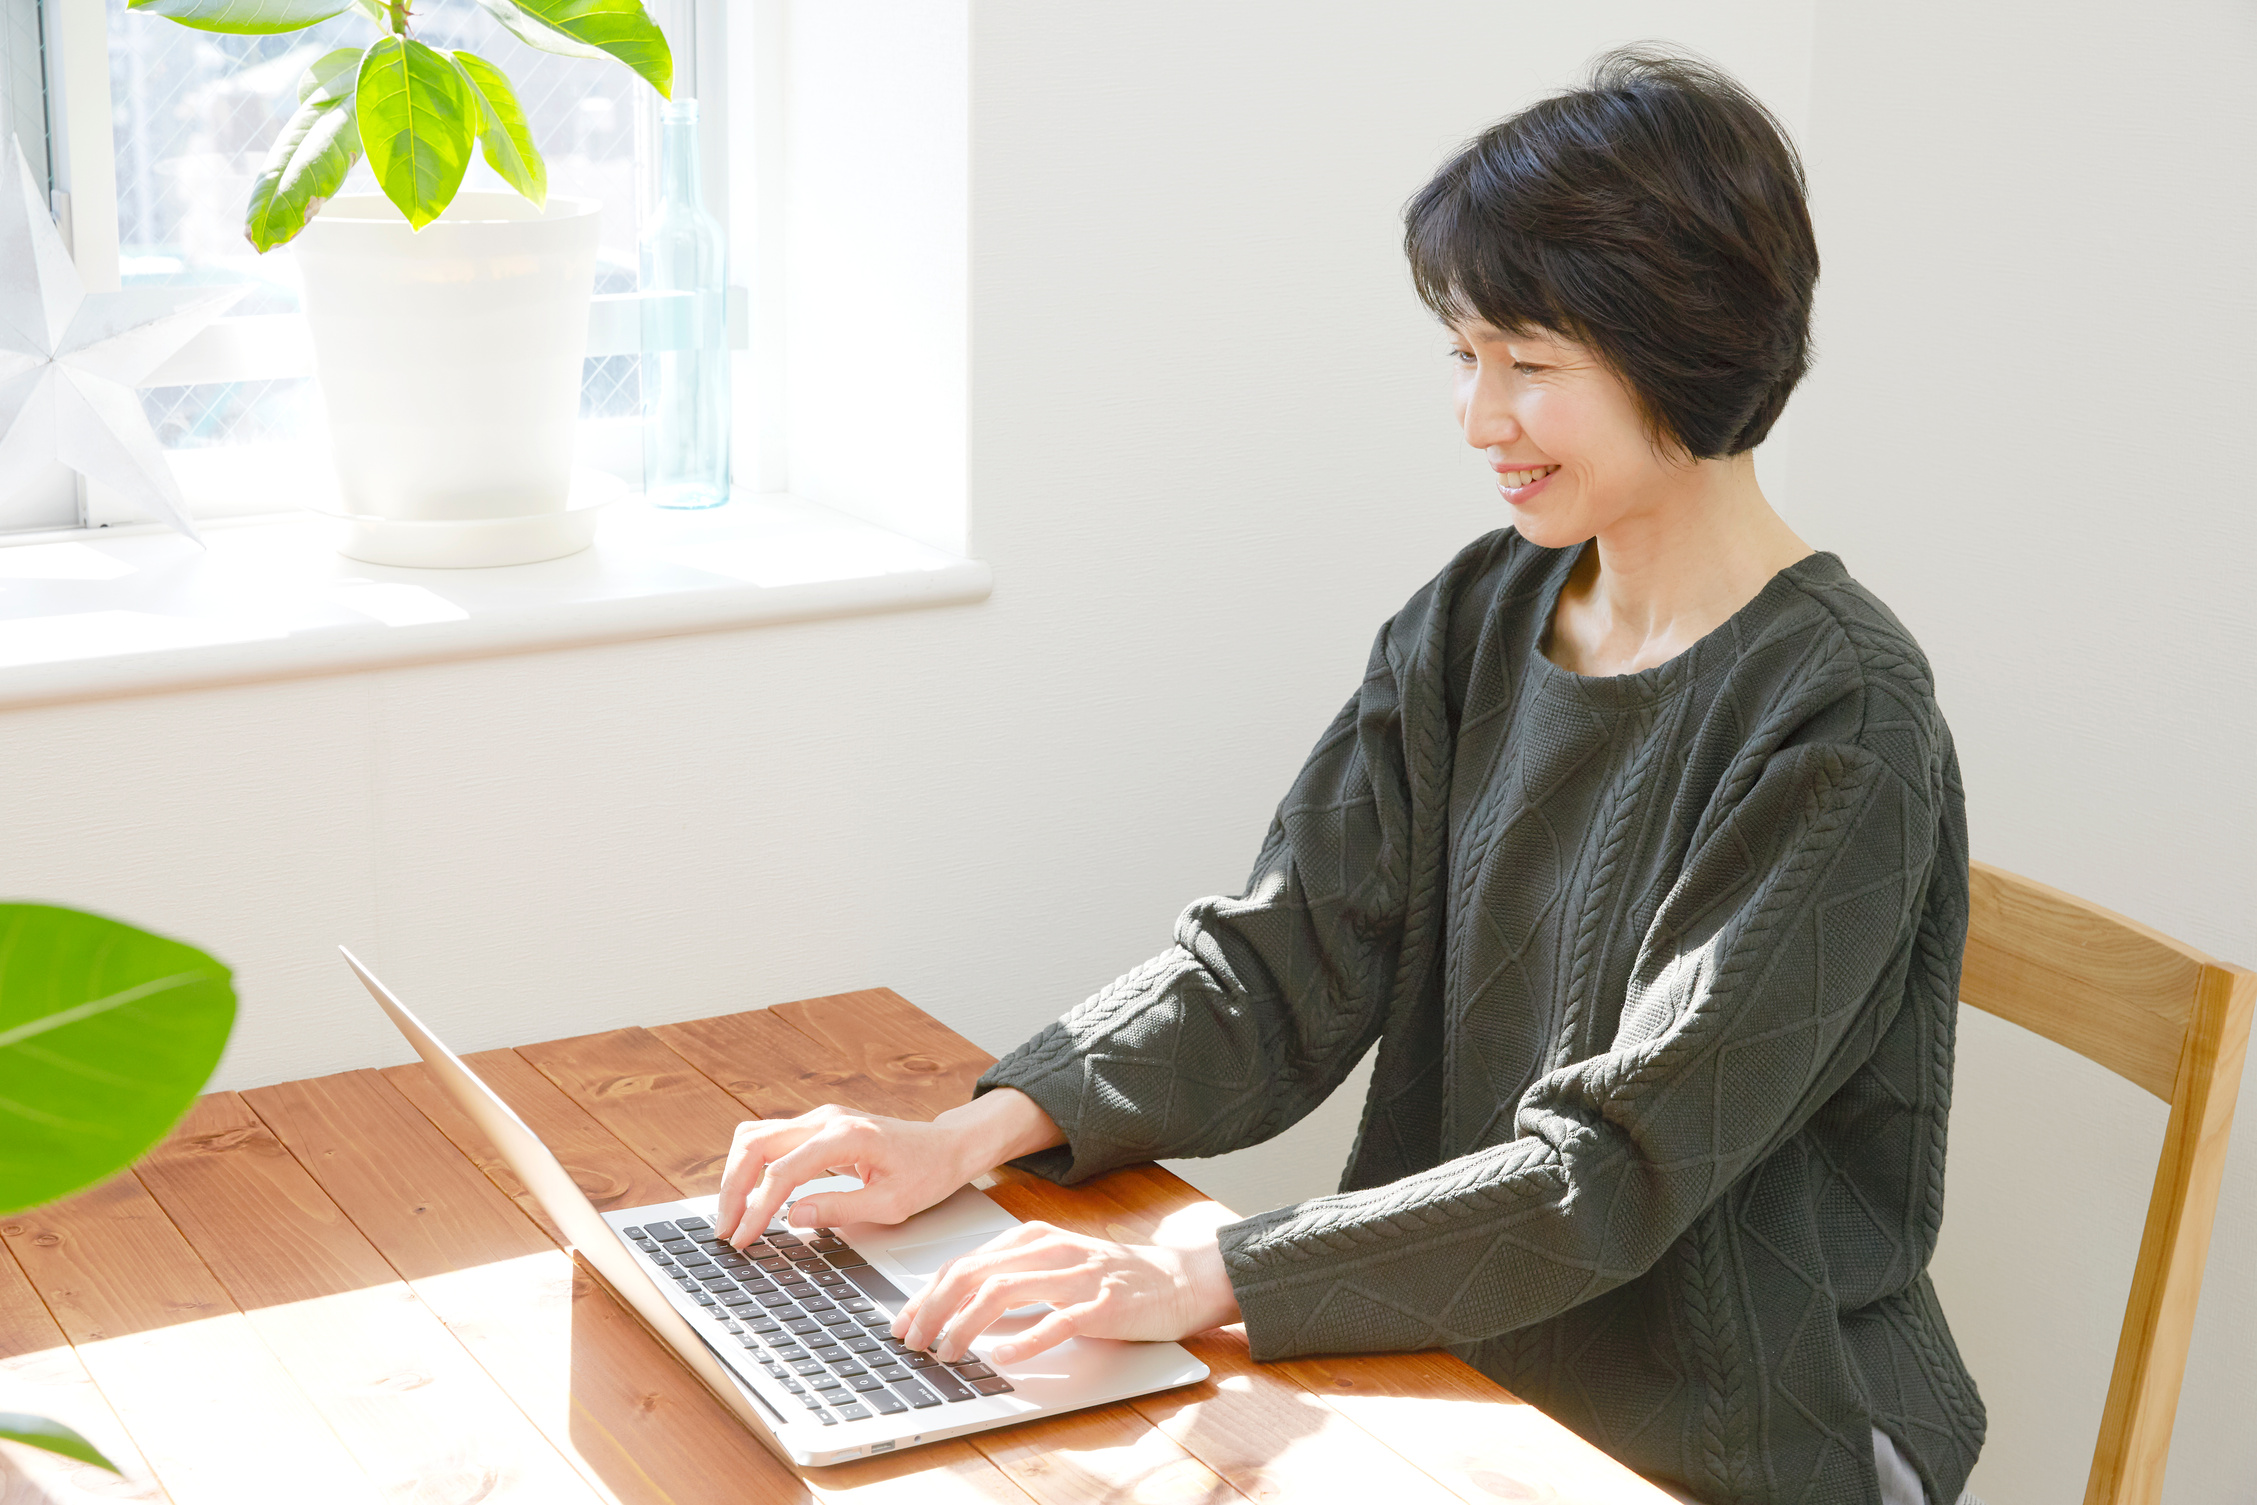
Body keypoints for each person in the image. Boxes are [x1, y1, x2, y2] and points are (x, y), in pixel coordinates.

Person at [714, 46, 1985, 1505]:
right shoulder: (1479, 614)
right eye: (1463, 354)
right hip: (1452, 1355)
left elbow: (1611, 1168)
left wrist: (1200, 1265)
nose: (1475, 416)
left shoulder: (1839, 713)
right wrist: (965, 1133)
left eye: (1527, 365)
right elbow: (1284, 954)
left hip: (1736, 1427)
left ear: (1680, 350)